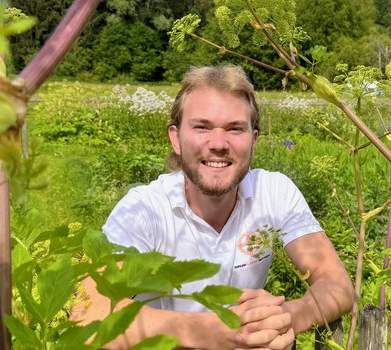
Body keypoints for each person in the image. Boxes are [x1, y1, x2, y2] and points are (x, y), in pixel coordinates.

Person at [73, 65, 354, 349]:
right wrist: (208, 331)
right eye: (201, 127)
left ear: (254, 141)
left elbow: (338, 284)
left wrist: (286, 317)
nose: (218, 144)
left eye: (235, 128)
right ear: (176, 138)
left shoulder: (274, 193)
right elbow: (88, 314)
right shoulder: (144, 210)